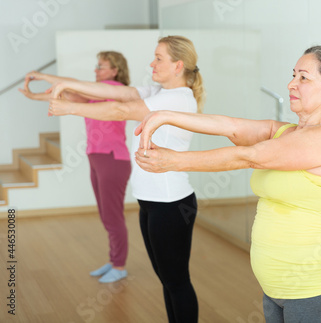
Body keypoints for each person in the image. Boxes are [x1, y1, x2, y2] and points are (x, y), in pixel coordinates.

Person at [133, 46, 321, 323]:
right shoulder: (286, 131)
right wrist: (165, 115)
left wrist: (173, 161)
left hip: (313, 288)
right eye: (293, 75)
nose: (292, 84)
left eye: (303, 78)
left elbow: (250, 156)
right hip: (275, 288)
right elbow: (231, 127)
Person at [38, 36, 205, 322]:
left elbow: (121, 110)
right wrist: (57, 82)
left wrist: (70, 107)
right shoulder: (158, 91)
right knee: (167, 280)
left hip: (171, 204)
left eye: (158, 58)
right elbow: (111, 92)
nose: (151, 63)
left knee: (176, 281)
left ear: (178, 65)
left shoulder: (176, 99)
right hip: (152, 202)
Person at [19, 51, 132, 283]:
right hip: (98, 158)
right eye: (97, 66)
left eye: (101, 66)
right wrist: (34, 96)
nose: (96, 70)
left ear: (115, 70)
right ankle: (113, 260)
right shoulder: (96, 94)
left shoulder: (114, 90)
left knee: (112, 217)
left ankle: (119, 266)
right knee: (106, 215)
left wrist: (41, 75)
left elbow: (73, 87)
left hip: (113, 160)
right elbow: (69, 95)